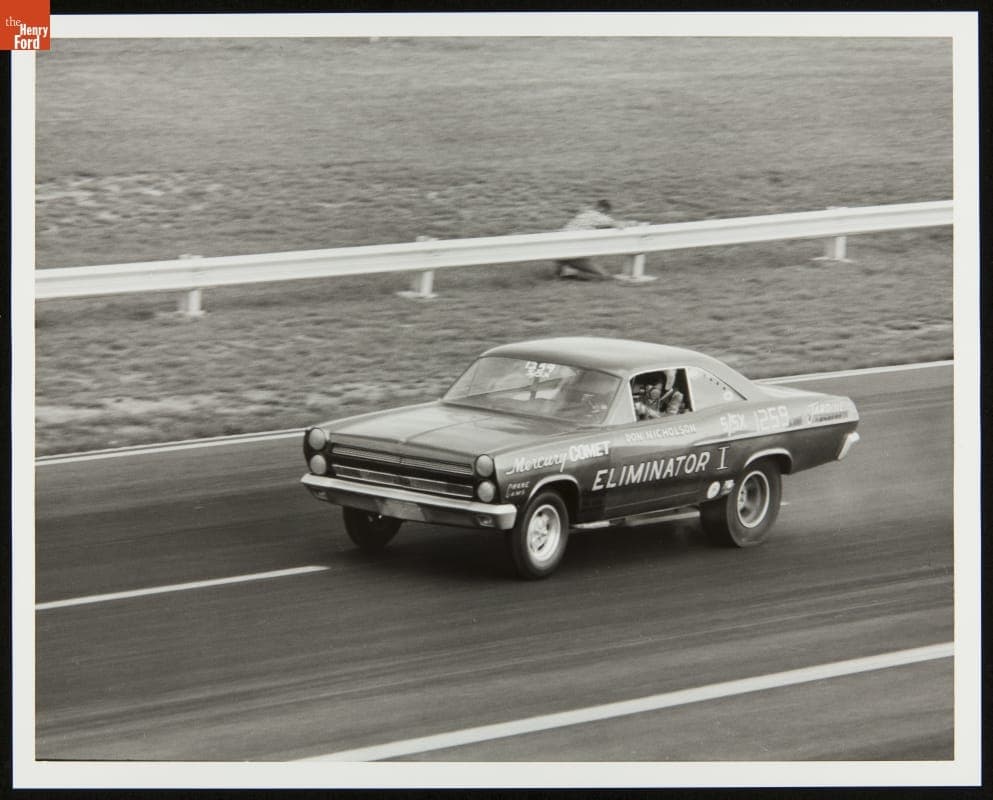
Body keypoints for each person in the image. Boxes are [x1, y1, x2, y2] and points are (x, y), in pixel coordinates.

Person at [555, 199, 629, 280]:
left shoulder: (583, 215)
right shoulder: (596, 215)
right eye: (607, 214)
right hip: (572, 253)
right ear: (603, 209)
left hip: (559, 251)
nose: (607, 216)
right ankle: (571, 272)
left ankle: (565, 269)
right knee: (604, 276)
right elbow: (618, 225)